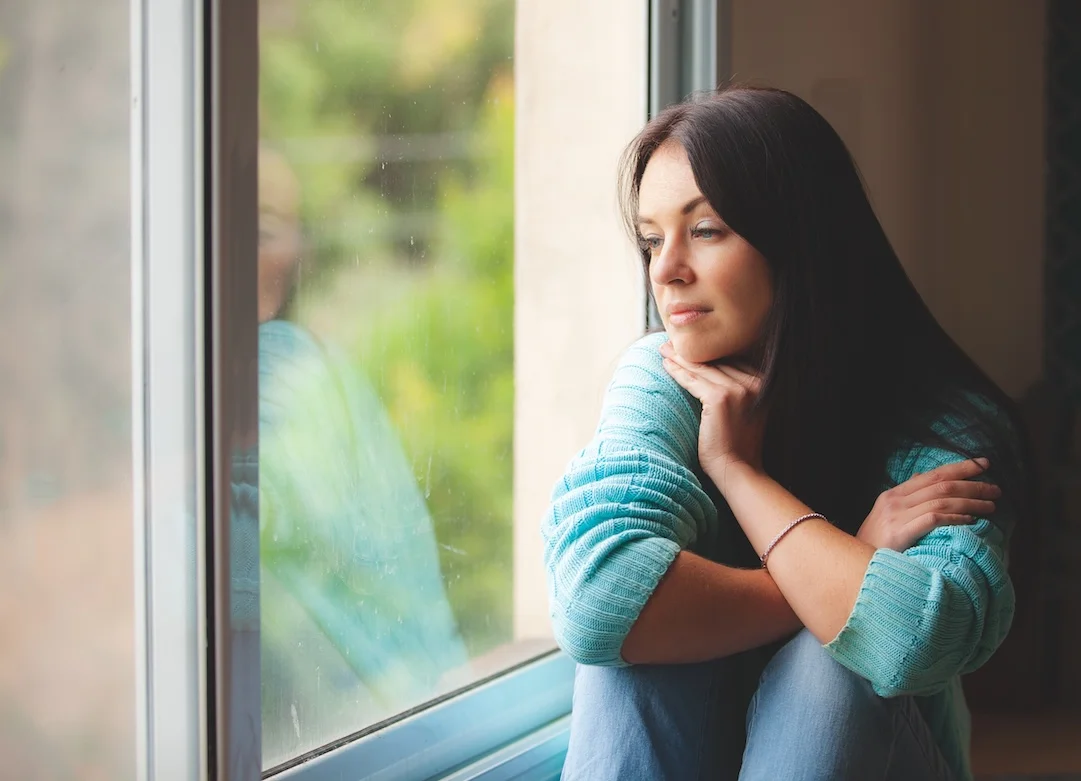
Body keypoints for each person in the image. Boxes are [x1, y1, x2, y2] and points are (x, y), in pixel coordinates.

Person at [541, 86, 1030, 780]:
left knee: (834, 658)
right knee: (632, 653)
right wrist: (847, 556)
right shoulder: (665, 377)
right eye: (653, 239)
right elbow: (598, 600)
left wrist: (740, 473)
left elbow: (907, 640)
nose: (666, 269)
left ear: (796, 238)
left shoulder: (940, 427)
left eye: (705, 229)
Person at [249, 145, 468, 763]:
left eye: (262, 231)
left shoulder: (288, 371)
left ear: (296, 256)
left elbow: (250, 517)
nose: (230, 250)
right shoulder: (307, 367)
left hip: (377, 721)